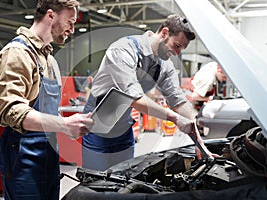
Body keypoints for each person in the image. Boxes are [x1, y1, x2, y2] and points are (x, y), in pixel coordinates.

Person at [82, 14, 217, 171]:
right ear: (165, 33)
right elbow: (134, 98)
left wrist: (198, 141)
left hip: (123, 128)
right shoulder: (124, 49)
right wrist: (174, 118)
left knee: (122, 181)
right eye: (177, 45)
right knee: (94, 183)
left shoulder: (164, 66)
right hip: (97, 127)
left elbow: (178, 102)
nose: (177, 53)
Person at [0, 0, 94, 199]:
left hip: (47, 154)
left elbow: (50, 112)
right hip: (23, 157)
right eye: (69, 22)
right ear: (51, 15)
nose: (72, 29)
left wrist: (71, 125)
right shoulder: (18, 54)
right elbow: (13, 112)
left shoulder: (48, 59)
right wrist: (63, 124)